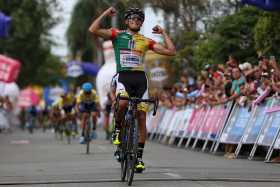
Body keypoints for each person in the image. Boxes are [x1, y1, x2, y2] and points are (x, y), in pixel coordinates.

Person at [89, 7, 176, 171]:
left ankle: (139, 159)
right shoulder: (117, 34)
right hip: (124, 77)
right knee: (122, 105)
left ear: (141, 23)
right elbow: (93, 29)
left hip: (140, 80)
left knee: (142, 118)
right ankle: (117, 129)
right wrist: (106, 14)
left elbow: (171, 51)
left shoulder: (145, 40)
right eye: (132, 19)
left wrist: (163, 32)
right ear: (126, 21)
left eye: (138, 19)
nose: (135, 21)